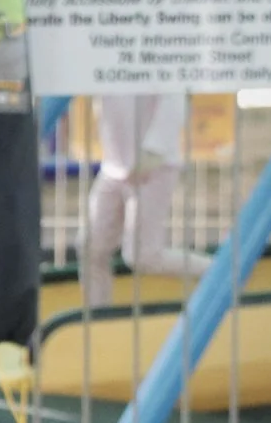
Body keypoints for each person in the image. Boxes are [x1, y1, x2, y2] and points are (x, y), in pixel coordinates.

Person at [82, 92, 213, 308]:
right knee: (90, 247)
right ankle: (97, 315)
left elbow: (174, 96)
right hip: (114, 166)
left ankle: (221, 272)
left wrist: (153, 152)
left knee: (142, 255)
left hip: (154, 167)